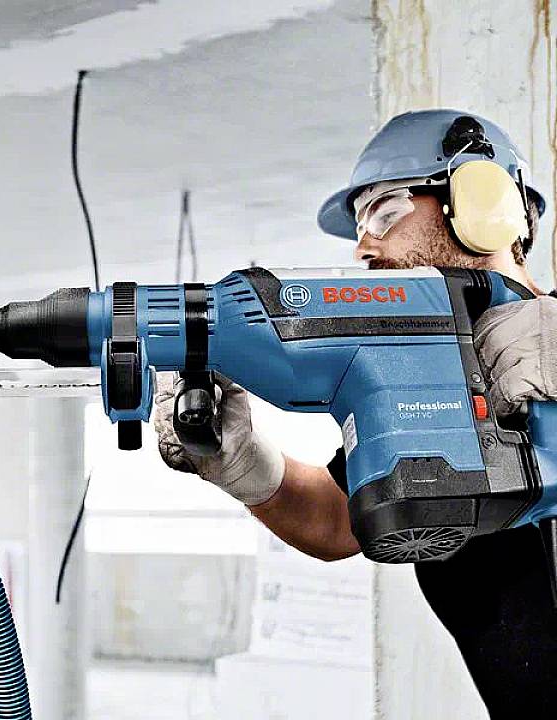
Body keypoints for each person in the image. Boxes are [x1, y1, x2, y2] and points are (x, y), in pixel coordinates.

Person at [154, 109, 557, 716]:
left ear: (483, 204)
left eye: (385, 213)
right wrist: (241, 463)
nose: (365, 247)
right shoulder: (425, 384)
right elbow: (335, 521)